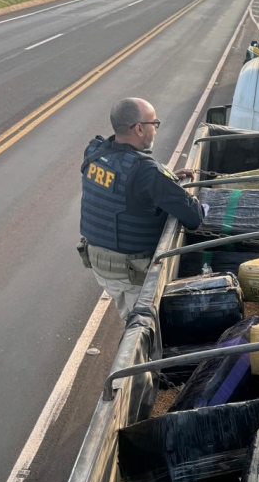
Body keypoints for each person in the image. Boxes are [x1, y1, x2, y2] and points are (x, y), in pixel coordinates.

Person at [78, 98, 204, 320]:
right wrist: (165, 182)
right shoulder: (145, 171)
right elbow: (194, 216)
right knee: (143, 336)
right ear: (139, 128)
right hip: (130, 273)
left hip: (99, 263)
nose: (155, 129)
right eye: (154, 123)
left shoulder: (96, 152)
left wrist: (166, 179)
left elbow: (124, 190)